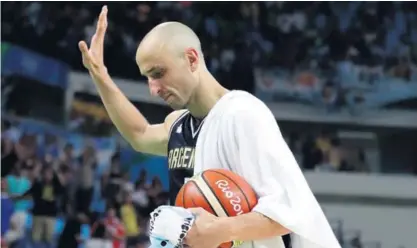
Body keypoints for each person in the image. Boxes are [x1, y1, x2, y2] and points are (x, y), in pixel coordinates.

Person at [78, 5, 340, 248]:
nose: (153, 88)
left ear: (192, 60)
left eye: (158, 73)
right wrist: (100, 75)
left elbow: (290, 209)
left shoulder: (243, 114)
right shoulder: (178, 125)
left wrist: (220, 230)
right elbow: (140, 134)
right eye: (147, 78)